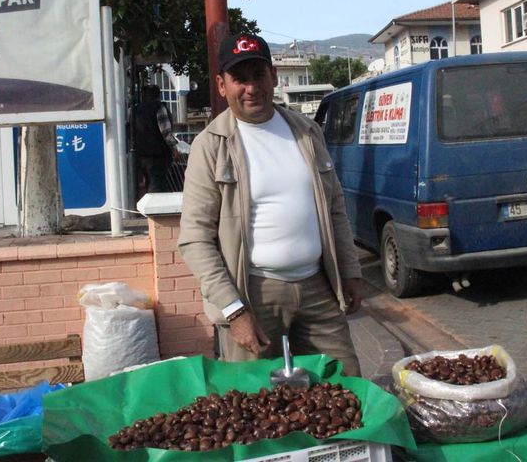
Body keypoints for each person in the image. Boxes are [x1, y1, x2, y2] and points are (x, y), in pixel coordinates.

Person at [177, 33, 364, 376]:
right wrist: (234, 310)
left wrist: (350, 272)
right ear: (221, 85)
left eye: (259, 75)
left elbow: (334, 208)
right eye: (240, 78)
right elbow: (195, 238)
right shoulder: (211, 146)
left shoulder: (307, 132)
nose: (252, 88)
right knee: (254, 401)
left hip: (316, 286)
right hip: (253, 293)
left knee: (345, 383)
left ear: (273, 76)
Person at [133, 84, 179, 194]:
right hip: (158, 154)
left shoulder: (135, 110)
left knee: (146, 184)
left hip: (141, 154)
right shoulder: (159, 108)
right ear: (158, 95)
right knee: (157, 185)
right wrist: (174, 148)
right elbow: (166, 131)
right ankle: (156, 209)